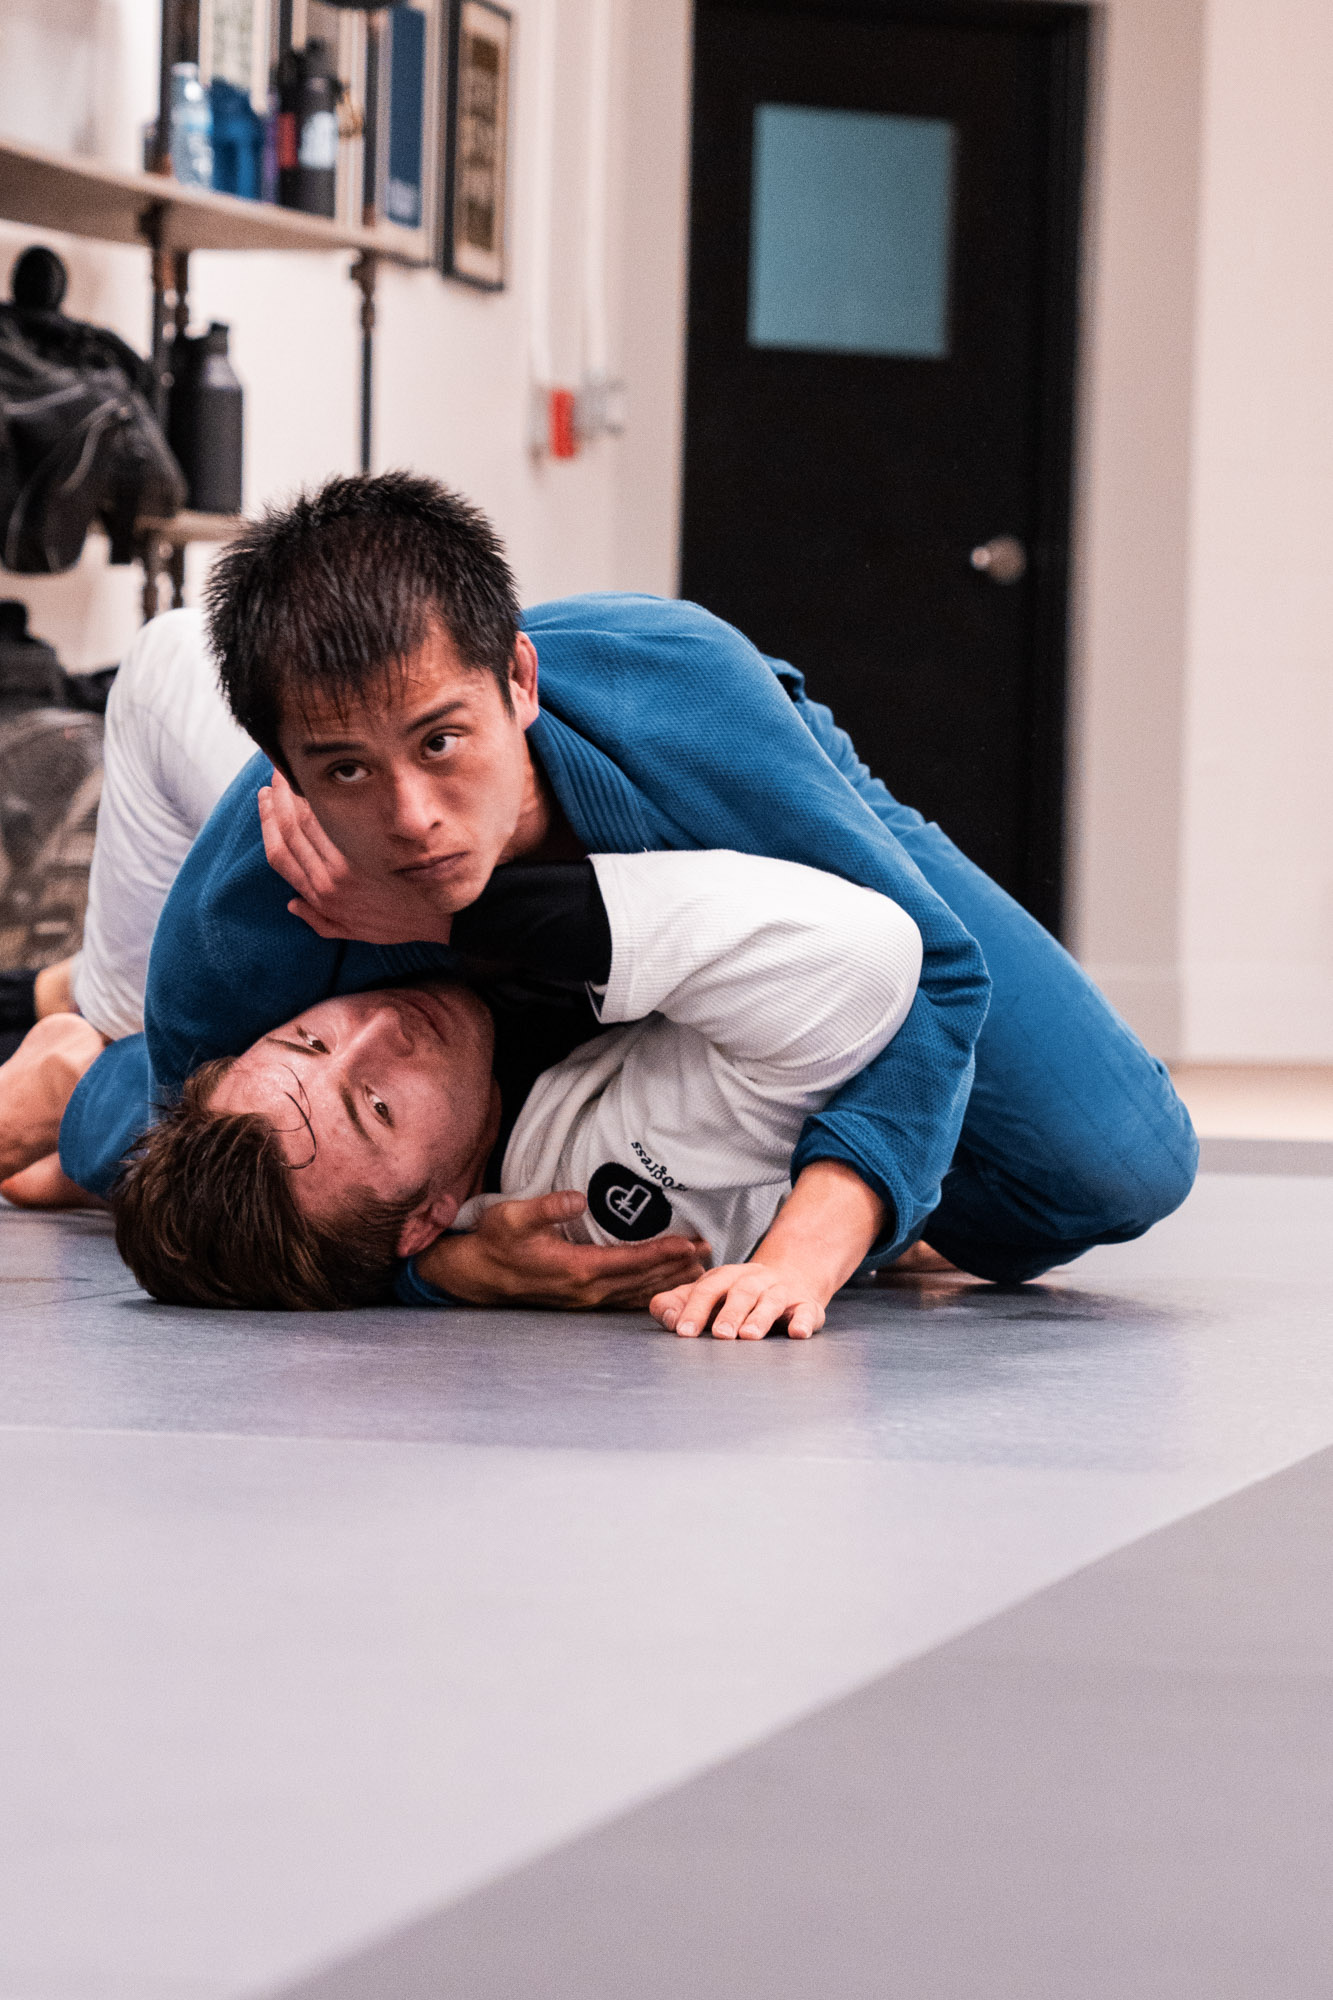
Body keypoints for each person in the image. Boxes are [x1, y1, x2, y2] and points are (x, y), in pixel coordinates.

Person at [56, 472, 1197, 1303]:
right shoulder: (241, 919)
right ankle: (85, 1057)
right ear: (285, 771)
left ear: (519, 683)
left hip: (733, 827)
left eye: (443, 742)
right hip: (461, 1063)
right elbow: (220, 1220)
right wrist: (443, 1269)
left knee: (1111, 1168)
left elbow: (932, 972)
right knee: (173, 1144)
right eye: (346, 771)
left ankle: (71, 1030)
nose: (409, 817)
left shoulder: (688, 700)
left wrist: (817, 1236)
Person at [110, 848, 925, 1334]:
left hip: (129, 1095)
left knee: (103, 1130)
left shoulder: (220, 1047)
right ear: (428, 1219)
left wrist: (432, 1277)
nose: (380, 1025)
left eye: (307, 1038)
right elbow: (861, 954)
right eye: (377, 1106)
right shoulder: (583, 1196)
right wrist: (460, 915)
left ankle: (75, 1035)